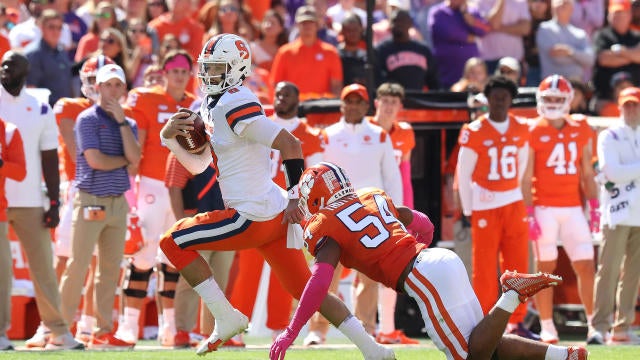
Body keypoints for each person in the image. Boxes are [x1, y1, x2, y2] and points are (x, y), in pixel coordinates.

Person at [158, 33, 394, 359]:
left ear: (237, 69)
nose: (208, 75)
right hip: (271, 213)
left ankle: (225, 317)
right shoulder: (215, 102)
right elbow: (199, 165)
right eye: (207, 68)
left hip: (252, 215)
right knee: (310, 293)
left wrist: (297, 197)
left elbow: (291, 145)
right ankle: (374, 350)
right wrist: (168, 137)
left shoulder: (234, 102)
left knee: (171, 241)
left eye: (216, 68)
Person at [270, 161, 589, 360]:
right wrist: (410, 253)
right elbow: (424, 223)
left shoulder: (324, 224)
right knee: (484, 345)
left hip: (422, 275)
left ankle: (511, 294)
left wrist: (291, 331)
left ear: (316, 198)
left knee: (470, 355)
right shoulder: (371, 196)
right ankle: (565, 356)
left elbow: (319, 283)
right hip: (439, 260)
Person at [304, 83, 404, 345]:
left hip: (369, 210)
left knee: (370, 275)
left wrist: (396, 213)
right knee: (326, 272)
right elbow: (314, 176)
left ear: (366, 105)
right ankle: (318, 330)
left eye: (359, 101)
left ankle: (365, 328)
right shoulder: (326, 135)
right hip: (334, 212)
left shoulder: (381, 135)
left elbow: (392, 177)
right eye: (349, 100)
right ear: (342, 104)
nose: (354, 105)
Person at [229, 81, 324, 345]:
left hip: (289, 207)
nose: (281, 98)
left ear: (298, 98)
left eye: (288, 94)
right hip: (258, 202)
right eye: (278, 93)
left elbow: (313, 175)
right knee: (247, 268)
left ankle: (280, 327)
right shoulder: (261, 123)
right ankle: (237, 325)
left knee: (285, 268)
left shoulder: (309, 133)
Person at [0, 50, 82, 350]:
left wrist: (54, 202)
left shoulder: (40, 106)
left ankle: (57, 331)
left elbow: (49, 156)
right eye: (4, 64)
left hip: (30, 197)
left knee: (44, 268)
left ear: (26, 70)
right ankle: (0, 333)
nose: (6, 69)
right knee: (1, 268)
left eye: (13, 65)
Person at [117, 49, 198, 347]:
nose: (179, 75)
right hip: (151, 184)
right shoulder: (145, 98)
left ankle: (169, 327)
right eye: (174, 70)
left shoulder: (195, 104)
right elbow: (134, 150)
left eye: (183, 70)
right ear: (164, 72)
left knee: (174, 259)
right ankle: (128, 327)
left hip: (183, 187)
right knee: (143, 256)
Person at [58, 63, 141, 349]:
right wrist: (124, 161)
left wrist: (120, 123)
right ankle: (60, 329)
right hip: (91, 198)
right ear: (99, 88)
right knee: (78, 265)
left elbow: (137, 161)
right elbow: (96, 161)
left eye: (118, 85)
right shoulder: (86, 119)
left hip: (118, 202)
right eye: (108, 85)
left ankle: (103, 331)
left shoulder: (129, 124)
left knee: (109, 270)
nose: (113, 90)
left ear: (124, 89)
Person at [456, 75, 535, 339]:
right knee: (485, 267)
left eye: (504, 97)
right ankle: (485, 318)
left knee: (517, 263)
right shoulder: (475, 130)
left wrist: (517, 194)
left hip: (512, 200)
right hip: (485, 203)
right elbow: (463, 173)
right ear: (487, 100)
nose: (500, 101)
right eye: (495, 97)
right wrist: (468, 210)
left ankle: (517, 320)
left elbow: (523, 167)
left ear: (511, 99)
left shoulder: (522, 127)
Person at [522, 74, 598, 344]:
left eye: (557, 98)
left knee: (586, 265)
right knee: (545, 268)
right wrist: (529, 213)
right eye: (549, 98)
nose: (553, 103)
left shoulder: (582, 127)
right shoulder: (531, 129)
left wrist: (595, 206)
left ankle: (593, 325)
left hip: (573, 208)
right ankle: (547, 326)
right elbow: (525, 175)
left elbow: (587, 172)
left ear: (568, 100)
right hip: (543, 208)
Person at [52, 54, 115, 344]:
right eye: (91, 80)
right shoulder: (70, 107)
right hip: (77, 188)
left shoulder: (119, 113)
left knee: (99, 263)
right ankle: (50, 324)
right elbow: (80, 150)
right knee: (66, 260)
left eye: (101, 81)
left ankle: (87, 326)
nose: (96, 87)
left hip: (109, 189)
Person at [165, 151, 234, 348]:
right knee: (192, 279)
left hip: (226, 222)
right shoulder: (181, 150)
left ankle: (215, 331)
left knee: (220, 280)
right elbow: (174, 188)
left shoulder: (227, 147)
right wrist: (181, 225)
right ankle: (182, 331)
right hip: (196, 223)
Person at [590, 86, 640, 345]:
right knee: (607, 270)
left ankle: (622, 329)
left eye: (635, 105)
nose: (631, 109)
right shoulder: (609, 135)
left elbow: (622, 171)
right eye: (627, 105)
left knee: (633, 274)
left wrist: (629, 170)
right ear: (619, 107)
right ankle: (599, 327)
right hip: (617, 212)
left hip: (639, 214)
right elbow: (611, 173)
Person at [270, 5, 343, 100]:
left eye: (310, 22)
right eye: (303, 22)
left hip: (322, 108)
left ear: (317, 25)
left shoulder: (330, 52)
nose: (307, 26)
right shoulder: (285, 52)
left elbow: (336, 86)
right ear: (297, 25)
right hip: (294, 108)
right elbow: (276, 83)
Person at [0, 103, 27, 352]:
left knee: (2, 275)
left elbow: (20, 172)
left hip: (0, 212)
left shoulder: (8, 131)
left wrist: (1, 164)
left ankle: (0, 332)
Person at [427, 0, 490, 89]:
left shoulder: (472, 11)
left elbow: (484, 29)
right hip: (447, 73)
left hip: (472, 77)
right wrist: (471, 37)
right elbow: (450, 33)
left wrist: (468, 18)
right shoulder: (438, 12)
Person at [592, 0, 640, 110]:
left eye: (623, 13)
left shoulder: (637, 36)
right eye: (616, 13)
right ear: (609, 15)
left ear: (629, 15)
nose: (619, 17)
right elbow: (604, 59)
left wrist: (621, 52)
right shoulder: (601, 35)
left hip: (636, 98)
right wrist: (632, 56)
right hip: (606, 98)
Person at [375, 9, 439, 91]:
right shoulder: (381, 50)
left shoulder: (423, 50)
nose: (399, 24)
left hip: (418, 100)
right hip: (394, 100)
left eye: (403, 21)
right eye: (395, 21)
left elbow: (433, 80)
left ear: (410, 23)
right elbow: (378, 79)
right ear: (389, 24)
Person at [536, 0, 594, 82]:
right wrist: (579, 59)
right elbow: (558, 59)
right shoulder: (545, 28)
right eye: (559, 1)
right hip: (552, 85)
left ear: (572, 9)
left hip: (575, 85)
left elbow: (589, 60)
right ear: (552, 6)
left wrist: (570, 51)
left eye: (566, 2)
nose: (562, 4)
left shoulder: (580, 33)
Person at [25, 9, 72, 107]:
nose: (56, 31)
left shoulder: (61, 51)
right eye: (51, 27)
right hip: (45, 113)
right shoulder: (33, 54)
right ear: (41, 27)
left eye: (59, 28)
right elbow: (31, 90)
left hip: (64, 111)